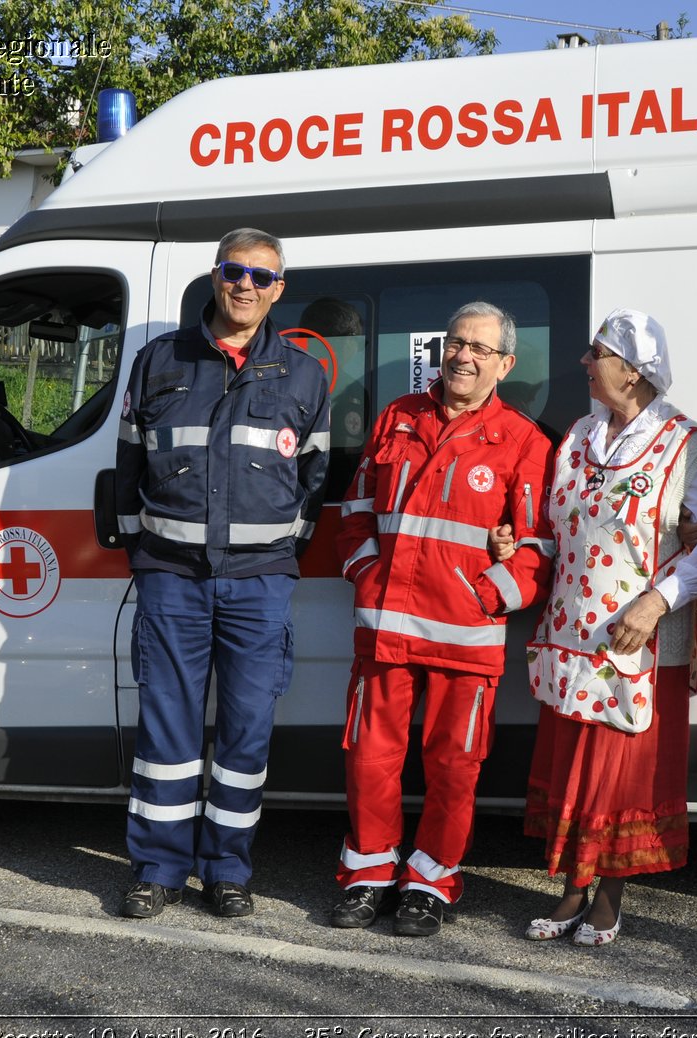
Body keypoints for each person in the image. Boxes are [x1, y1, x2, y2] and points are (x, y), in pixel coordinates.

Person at [113, 228, 330, 920]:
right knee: (166, 732)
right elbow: (127, 467)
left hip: (260, 585)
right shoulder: (159, 360)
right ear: (215, 275)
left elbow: (316, 480)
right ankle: (158, 868)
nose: (246, 285)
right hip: (171, 577)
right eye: (235, 271)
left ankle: (227, 871)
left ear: (279, 289)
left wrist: (279, 553)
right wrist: (143, 552)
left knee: (245, 734)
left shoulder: (303, 374)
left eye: (262, 277)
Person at [329, 301, 555, 937]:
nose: (464, 356)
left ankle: (430, 880)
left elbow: (539, 545)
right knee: (372, 757)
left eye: (481, 349)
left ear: (505, 364)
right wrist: (366, 572)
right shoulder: (398, 419)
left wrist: (489, 595)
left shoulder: (524, 441)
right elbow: (355, 509)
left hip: (465, 634)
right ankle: (369, 873)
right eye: (457, 343)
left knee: (454, 766)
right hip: (388, 623)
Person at [516, 308, 697, 947]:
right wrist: (516, 543)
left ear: (632, 372)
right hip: (575, 629)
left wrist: (657, 602)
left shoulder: (687, 444)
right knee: (578, 763)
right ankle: (573, 887)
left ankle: (609, 895)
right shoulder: (579, 434)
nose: (584, 362)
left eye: (596, 353)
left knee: (621, 769)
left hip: (640, 637)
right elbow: (557, 525)